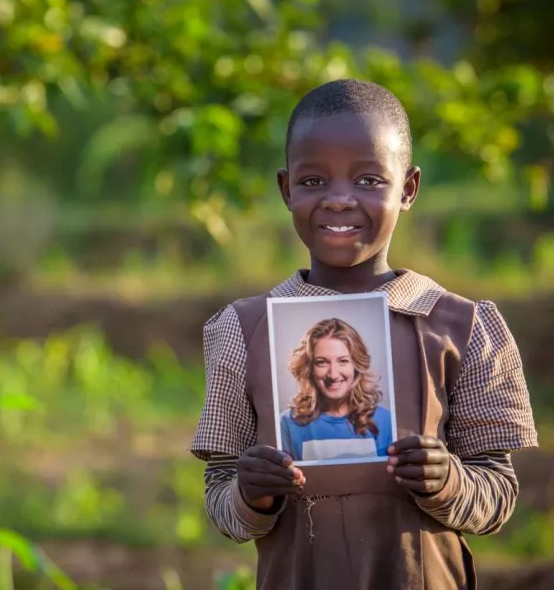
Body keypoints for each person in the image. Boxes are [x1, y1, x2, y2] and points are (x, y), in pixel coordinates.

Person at [190, 79, 537, 589]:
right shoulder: (242, 331)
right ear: (286, 190)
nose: (337, 200)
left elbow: (498, 495)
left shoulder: (463, 328)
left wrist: (448, 481)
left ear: (409, 189)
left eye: (369, 180)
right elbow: (222, 501)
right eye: (313, 182)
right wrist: (250, 494)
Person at [279, 317, 393, 462]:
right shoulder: (287, 423)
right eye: (321, 362)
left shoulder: (385, 421)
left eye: (343, 361)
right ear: (309, 368)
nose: (333, 374)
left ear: (356, 366)